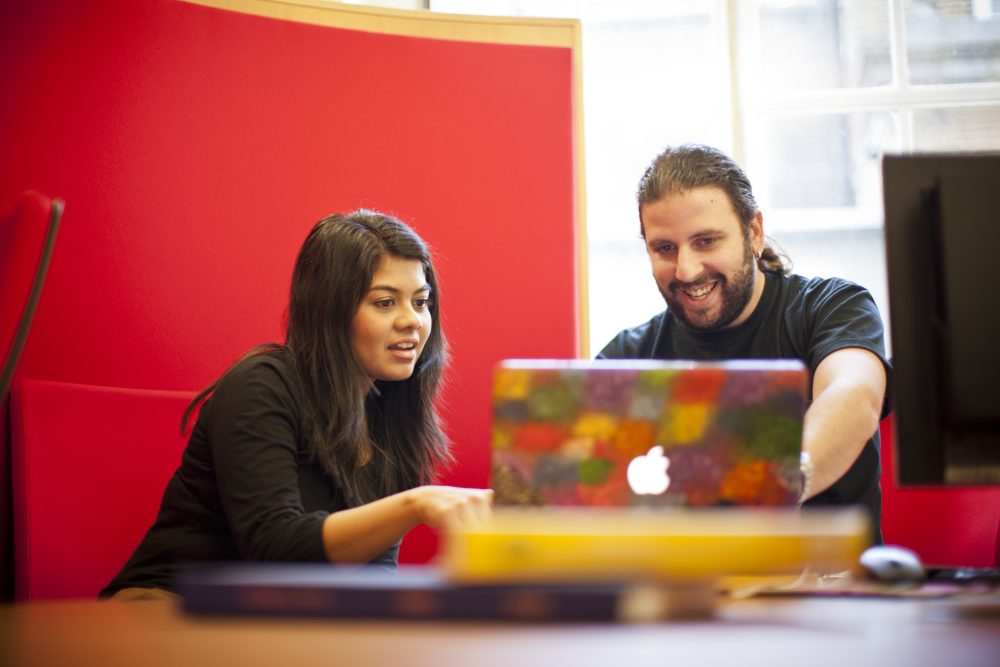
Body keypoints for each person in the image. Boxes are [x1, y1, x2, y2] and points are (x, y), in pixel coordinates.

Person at [101, 210, 492, 599]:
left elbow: (369, 575)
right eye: (386, 302)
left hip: (278, 621)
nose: (413, 321)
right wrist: (414, 505)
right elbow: (274, 551)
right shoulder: (262, 384)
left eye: (421, 302)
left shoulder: (390, 411)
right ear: (330, 311)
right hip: (169, 607)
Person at [598, 144, 890, 541]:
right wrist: (502, 508)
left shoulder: (831, 307)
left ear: (753, 233)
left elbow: (855, 395)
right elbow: (575, 480)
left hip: (825, 590)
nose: (686, 269)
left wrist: (770, 493)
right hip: (685, 593)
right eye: (665, 248)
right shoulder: (626, 357)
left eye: (706, 241)